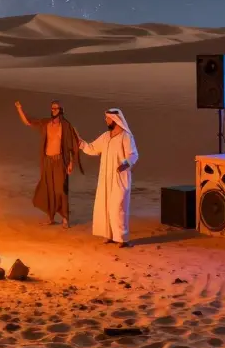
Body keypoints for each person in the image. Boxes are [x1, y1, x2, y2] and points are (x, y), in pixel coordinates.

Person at [14, 99, 83, 228]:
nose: (53, 111)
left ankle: (65, 218)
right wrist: (19, 109)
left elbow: (73, 146)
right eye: (52, 108)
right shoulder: (46, 123)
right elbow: (28, 122)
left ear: (61, 111)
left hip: (60, 162)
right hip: (47, 161)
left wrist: (71, 163)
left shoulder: (66, 126)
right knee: (48, 189)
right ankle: (50, 217)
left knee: (61, 190)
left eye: (56, 108)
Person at [78, 108, 138, 248]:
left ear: (114, 119)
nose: (106, 120)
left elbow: (133, 154)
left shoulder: (126, 136)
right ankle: (109, 235)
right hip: (105, 178)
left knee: (118, 207)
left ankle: (122, 238)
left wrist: (125, 164)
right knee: (105, 205)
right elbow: (92, 148)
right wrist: (81, 143)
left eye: (107, 118)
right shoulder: (106, 136)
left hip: (119, 178)